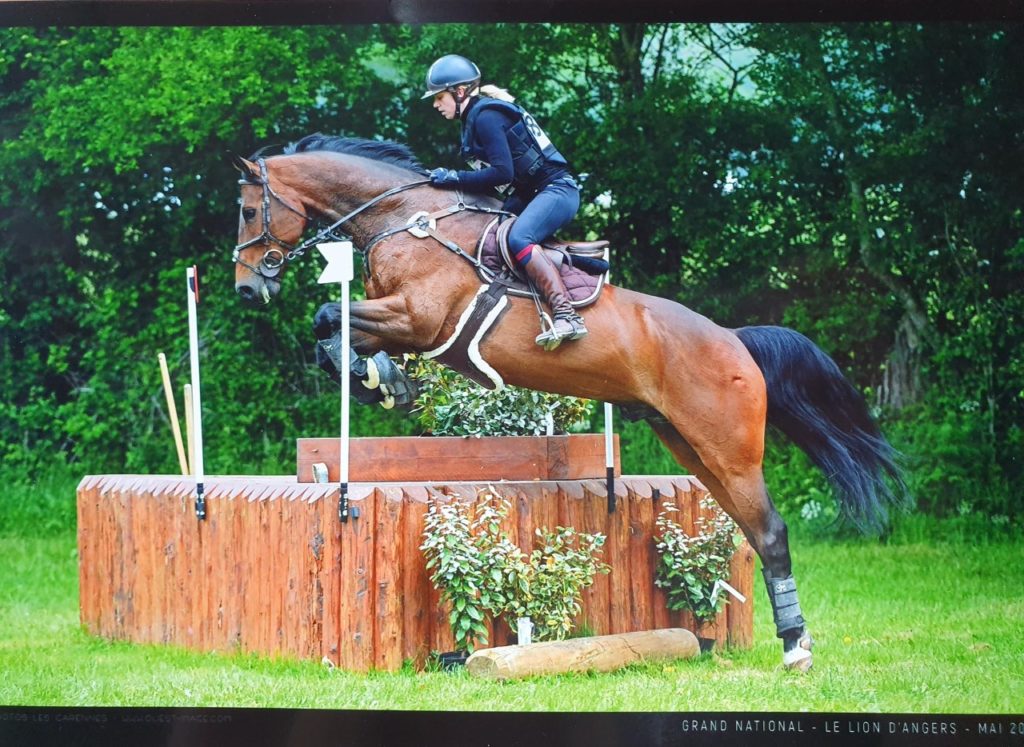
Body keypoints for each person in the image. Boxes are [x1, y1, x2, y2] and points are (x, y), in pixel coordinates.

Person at [422, 54, 588, 349]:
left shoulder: (486, 116)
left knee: (519, 238)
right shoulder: (475, 118)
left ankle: (566, 314)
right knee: (489, 232)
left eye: (439, 97)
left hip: (556, 190)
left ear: (460, 92)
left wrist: (452, 177)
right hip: (530, 194)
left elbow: (502, 172)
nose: (436, 105)